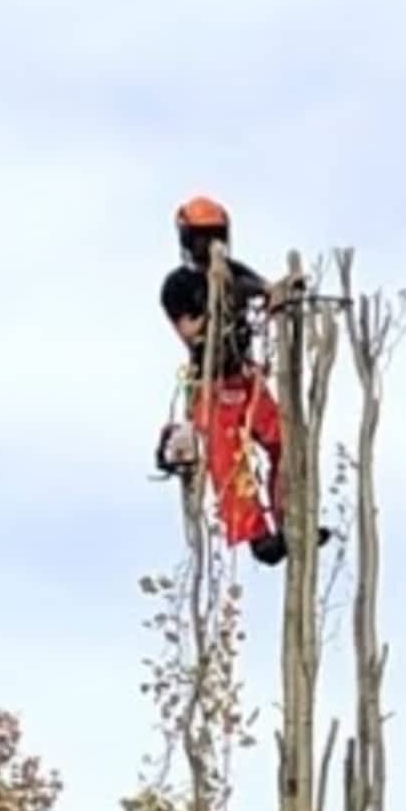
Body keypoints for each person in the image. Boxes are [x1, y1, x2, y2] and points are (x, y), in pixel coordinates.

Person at [154, 194, 310, 566]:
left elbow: (267, 291)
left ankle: (292, 519)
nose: (209, 246)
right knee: (230, 460)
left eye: (215, 236)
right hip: (211, 383)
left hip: (244, 377)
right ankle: (257, 537)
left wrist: (282, 290)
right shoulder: (177, 285)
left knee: (286, 440)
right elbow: (191, 333)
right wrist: (219, 301)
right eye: (201, 238)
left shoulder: (235, 272)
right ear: (187, 240)